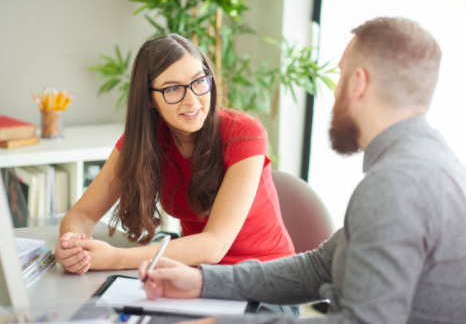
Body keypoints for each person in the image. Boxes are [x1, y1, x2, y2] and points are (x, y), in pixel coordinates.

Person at [138, 17, 466, 324]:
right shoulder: (428, 161)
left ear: (359, 83)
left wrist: (227, 322)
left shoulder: (396, 186)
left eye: (339, 75)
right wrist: (202, 281)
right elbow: (320, 266)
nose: (334, 90)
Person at [54, 34, 295, 275]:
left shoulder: (243, 134)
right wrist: (73, 246)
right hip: (196, 277)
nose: (192, 101)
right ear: (149, 98)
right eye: (172, 89)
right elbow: (82, 214)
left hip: (268, 280)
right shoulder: (143, 142)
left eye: (199, 81)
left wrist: (115, 258)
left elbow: (214, 245)